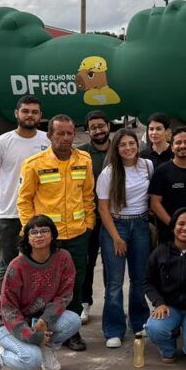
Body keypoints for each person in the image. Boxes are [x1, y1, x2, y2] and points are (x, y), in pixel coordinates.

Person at [16, 114, 95, 351]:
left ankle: (72, 332)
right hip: (48, 241)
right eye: (60, 133)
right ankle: (42, 330)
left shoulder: (85, 160)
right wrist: (33, 234)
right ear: (49, 135)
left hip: (79, 236)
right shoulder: (34, 164)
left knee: (75, 285)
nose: (66, 138)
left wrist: (89, 224)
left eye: (70, 133)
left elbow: (88, 195)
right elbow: (24, 201)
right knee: (46, 286)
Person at [0, 216, 81, 370]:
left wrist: (45, 321)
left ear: (53, 235)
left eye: (44, 231)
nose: (39, 235)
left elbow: (63, 296)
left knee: (73, 320)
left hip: (38, 318)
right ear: (27, 238)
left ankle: (47, 347)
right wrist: (32, 336)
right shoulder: (17, 266)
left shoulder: (63, 258)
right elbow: (9, 309)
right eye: (34, 232)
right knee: (30, 359)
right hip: (7, 322)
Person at [0, 95, 51, 297]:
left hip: (39, 217)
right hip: (9, 216)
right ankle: (2, 311)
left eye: (34, 112)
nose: (30, 115)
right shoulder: (0, 143)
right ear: (16, 113)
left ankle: (32, 310)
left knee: (38, 265)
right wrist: (6, 197)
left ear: (40, 116)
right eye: (25, 111)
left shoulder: (47, 141)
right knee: (8, 265)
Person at [95, 129, 153, 348]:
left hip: (140, 225)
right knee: (115, 282)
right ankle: (113, 329)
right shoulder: (108, 173)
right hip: (115, 225)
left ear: (137, 145)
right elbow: (102, 208)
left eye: (132, 143)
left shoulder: (147, 166)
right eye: (123, 145)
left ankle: (139, 322)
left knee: (139, 279)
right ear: (116, 149)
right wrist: (117, 238)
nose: (128, 148)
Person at [144, 208, 186, 363]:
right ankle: (168, 349)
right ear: (173, 226)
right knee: (154, 328)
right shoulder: (160, 252)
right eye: (181, 224)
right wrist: (159, 303)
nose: (185, 228)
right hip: (170, 307)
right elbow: (148, 282)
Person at [75, 110, 110, 325]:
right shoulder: (80, 154)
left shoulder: (118, 150)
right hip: (87, 218)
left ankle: (111, 304)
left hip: (113, 218)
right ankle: (83, 303)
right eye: (93, 127)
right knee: (85, 263)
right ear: (88, 131)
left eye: (101, 126)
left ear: (108, 126)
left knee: (111, 264)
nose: (98, 130)